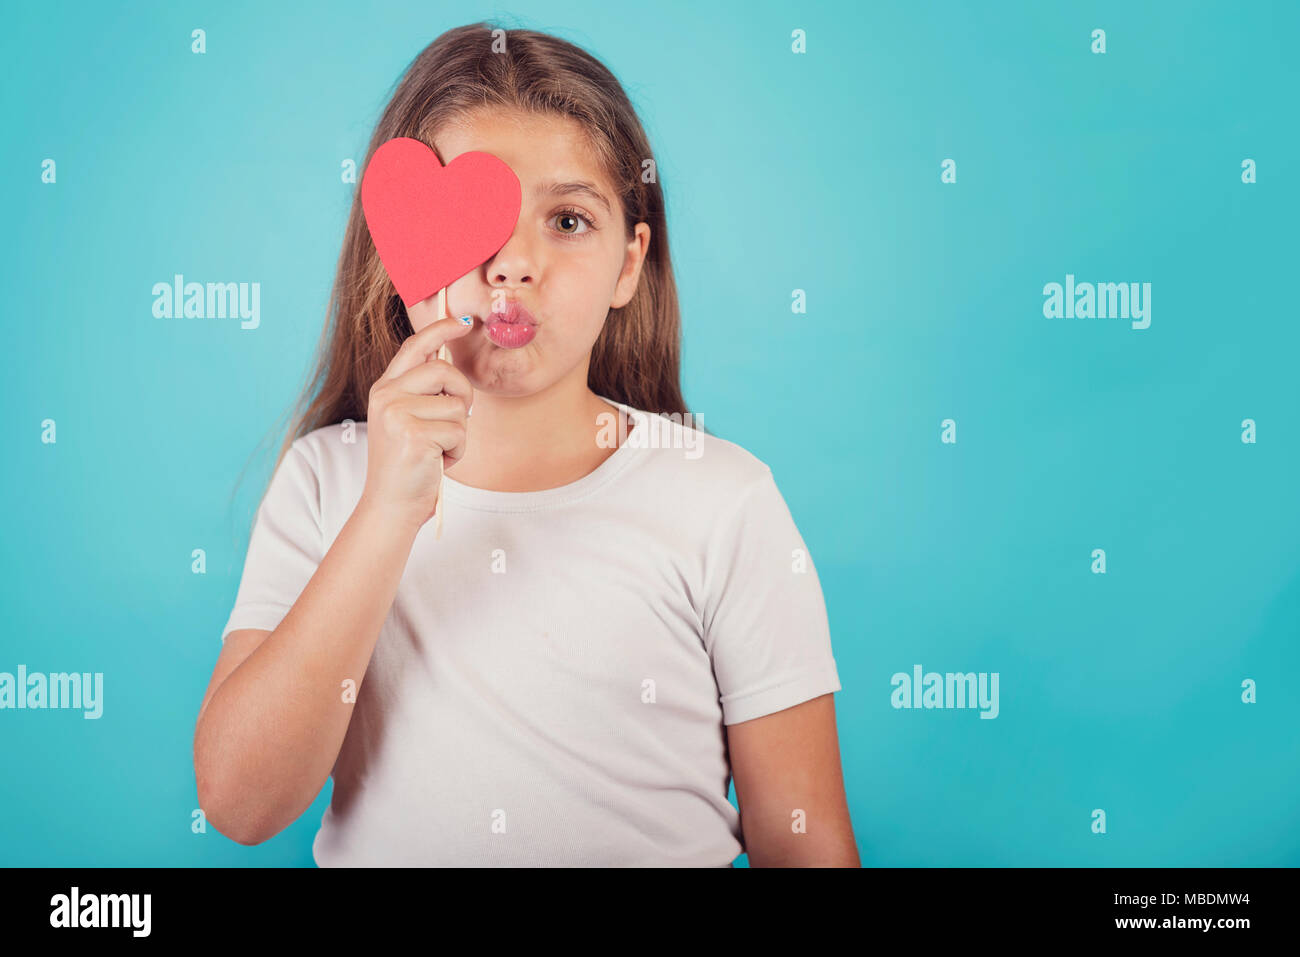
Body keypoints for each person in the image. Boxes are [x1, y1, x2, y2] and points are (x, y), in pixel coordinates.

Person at [193, 22, 857, 867]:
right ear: (401, 256)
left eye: (569, 220)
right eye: (480, 222)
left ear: (629, 264)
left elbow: (805, 839)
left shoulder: (723, 499)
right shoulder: (327, 481)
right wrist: (386, 510)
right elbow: (241, 802)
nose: (514, 264)